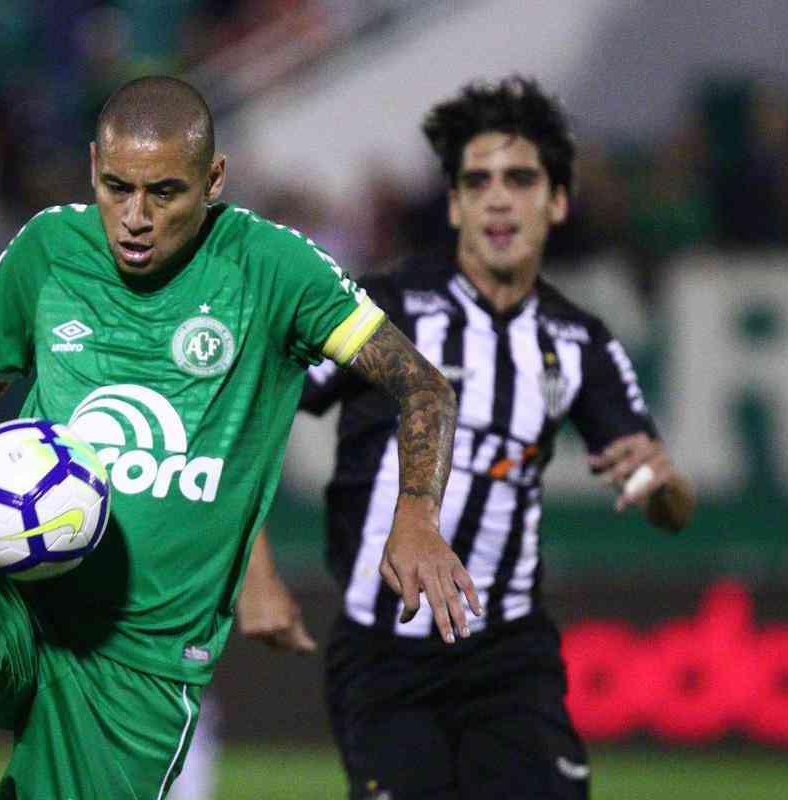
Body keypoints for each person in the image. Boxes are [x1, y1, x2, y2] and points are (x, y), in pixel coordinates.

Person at [0, 76, 475, 800]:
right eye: (117, 188)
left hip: (138, 659)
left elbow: (421, 384)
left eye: (164, 192)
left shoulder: (273, 269)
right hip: (16, 592)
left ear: (213, 181)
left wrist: (415, 516)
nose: (135, 216)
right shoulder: (50, 250)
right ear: (93, 169)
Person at [240, 75, 697, 800]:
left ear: (556, 201)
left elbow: (666, 506)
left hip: (510, 658)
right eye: (476, 180)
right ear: (454, 204)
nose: (497, 197)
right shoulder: (380, 312)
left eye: (520, 178)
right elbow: (247, 422)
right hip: (384, 656)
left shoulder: (579, 342)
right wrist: (256, 574)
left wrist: (664, 485)